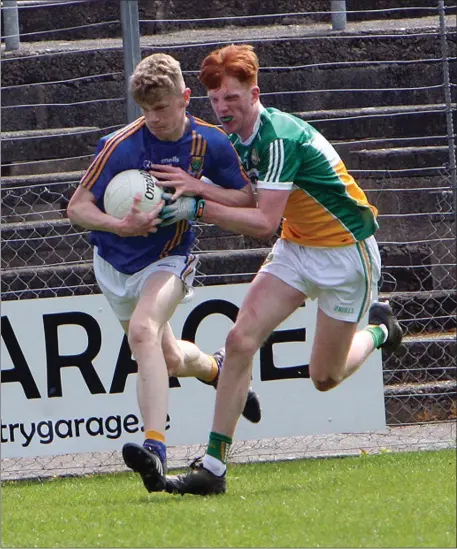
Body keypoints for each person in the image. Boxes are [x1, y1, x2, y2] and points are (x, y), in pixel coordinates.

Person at [152, 44, 404, 496]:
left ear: (254, 93)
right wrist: (199, 187)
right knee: (238, 340)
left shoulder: (279, 137)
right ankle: (213, 467)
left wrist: (198, 204)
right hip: (297, 246)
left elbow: (263, 221)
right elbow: (251, 196)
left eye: (232, 98)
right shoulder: (232, 137)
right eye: (215, 100)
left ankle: (381, 329)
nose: (224, 108)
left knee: (324, 378)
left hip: (346, 254)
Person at [66, 52, 262, 494]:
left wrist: (198, 192)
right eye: (147, 110)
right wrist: (121, 224)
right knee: (170, 357)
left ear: (185, 97)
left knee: (143, 332)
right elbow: (77, 207)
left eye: (163, 107)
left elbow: (248, 198)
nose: (155, 118)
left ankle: (155, 449)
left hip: (169, 259)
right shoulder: (120, 146)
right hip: (114, 263)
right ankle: (217, 370)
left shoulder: (209, 143)